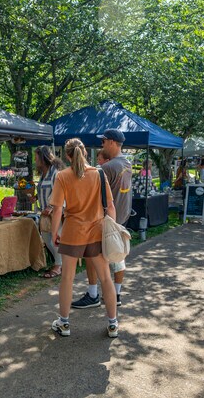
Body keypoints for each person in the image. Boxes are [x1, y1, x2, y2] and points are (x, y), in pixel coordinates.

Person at [50, 138, 119, 338]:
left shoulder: (62, 176)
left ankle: (64, 323)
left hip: (72, 232)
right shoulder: (99, 173)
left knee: (67, 279)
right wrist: (111, 230)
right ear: (86, 152)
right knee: (106, 278)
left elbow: (56, 211)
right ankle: (113, 324)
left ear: (67, 156)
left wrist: (55, 233)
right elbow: (111, 206)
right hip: (97, 231)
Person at [72, 129, 132, 309]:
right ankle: (116, 293)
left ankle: (93, 295)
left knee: (92, 257)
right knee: (118, 256)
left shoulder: (106, 168)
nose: (102, 144)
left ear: (112, 142)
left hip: (103, 220)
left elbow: (88, 195)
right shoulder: (127, 163)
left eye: (104, 141)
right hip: (120, 218)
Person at [34, 146, 66, 279]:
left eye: (36, 157)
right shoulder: (44, 173)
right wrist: (35, 197)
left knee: (55, 238)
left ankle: (59, 265)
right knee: (47, 239)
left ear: (43, 157)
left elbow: (60, 191)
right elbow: (44, 190)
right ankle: (60, 262)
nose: (35, 160)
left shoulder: (55, 172)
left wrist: (51, 207)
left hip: (55, 211)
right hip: (45, 213)